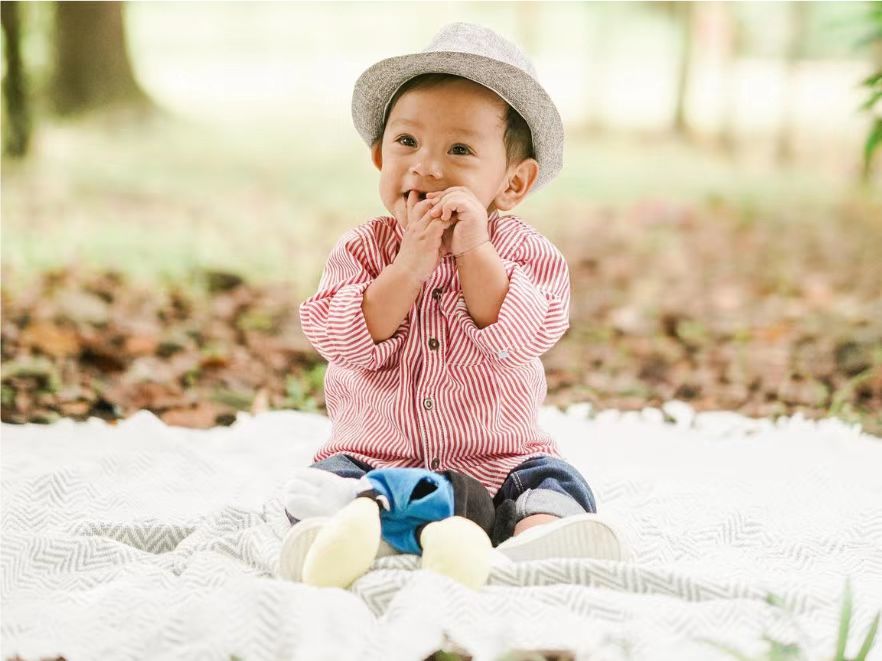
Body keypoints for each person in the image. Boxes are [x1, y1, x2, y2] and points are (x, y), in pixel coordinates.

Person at [281, 22, 625, 573]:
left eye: (460, 149)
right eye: (407, 142)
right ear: (378, 157)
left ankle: (538, 537)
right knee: (324, 484)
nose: (427, 166)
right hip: (376, 458)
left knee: (552, 481)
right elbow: (341, 338)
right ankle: (347, 534)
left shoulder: (524, 253)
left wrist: (475, 253)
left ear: (512, 183)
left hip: (495, 460)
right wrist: (408, 265)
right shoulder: (364, 247)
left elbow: (520, 335)